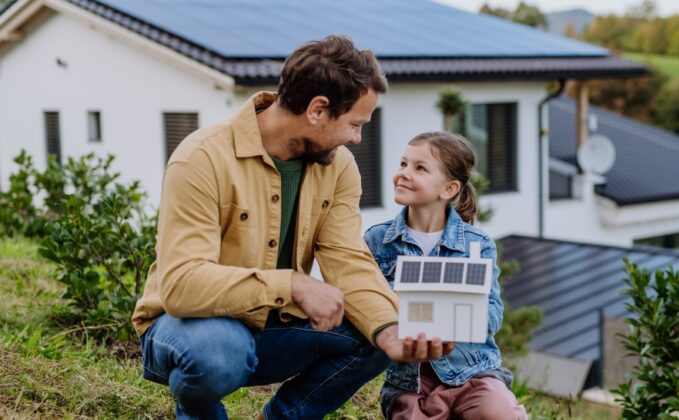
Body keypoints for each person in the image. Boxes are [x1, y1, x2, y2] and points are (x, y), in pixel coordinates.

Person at [131, 35, 453, 420]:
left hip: (271, 328)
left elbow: (347, 260)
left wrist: (389, 330)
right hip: (187, 329)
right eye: (354, 124)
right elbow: (181, 286)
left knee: (376, 329)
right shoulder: (201, 157)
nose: (356, 137)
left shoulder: (338, 167)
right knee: (218, 351)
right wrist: (293, 284)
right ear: (318, 109)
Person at [364, 132, 529, 419]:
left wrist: (449, 313)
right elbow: (366, 304)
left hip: (473, 373)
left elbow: (493, 314)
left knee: (499, 412)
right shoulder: (377, 240)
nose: (404, 173)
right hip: (410, 382)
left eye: (419, 168)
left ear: (449, 189)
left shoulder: (477, 244)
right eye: (403, 163)